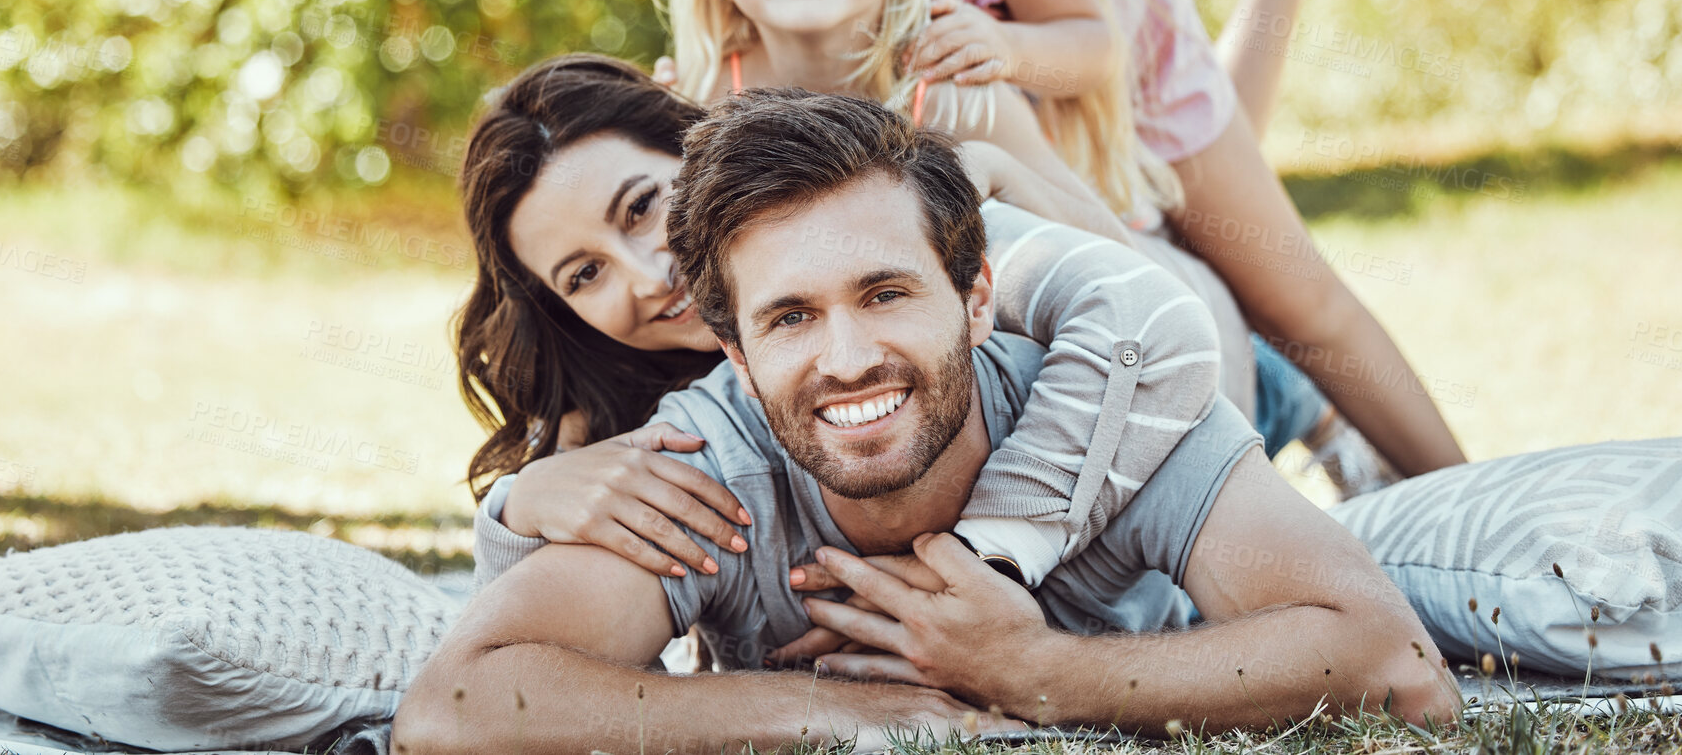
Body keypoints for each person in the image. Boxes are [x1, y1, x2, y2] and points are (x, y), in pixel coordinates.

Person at [391, 88, 1460, 753]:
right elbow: (455, 706)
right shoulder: (685, 463)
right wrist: (839, 714)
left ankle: (1330, 423)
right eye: (791, 316)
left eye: (886, 292)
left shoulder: (1106, 393)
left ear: (977, 293)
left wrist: (1036, 668)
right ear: (733, 346)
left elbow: (1398, 664)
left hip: (1203, 338)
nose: (846, 352)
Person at [651, 0, 1455, 486]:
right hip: (894, 396)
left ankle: (1311, 414)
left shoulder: (953, 89)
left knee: (1237, 365)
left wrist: (1001, 167)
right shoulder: (695, 107)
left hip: (1188, 356)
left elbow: (1121, 263)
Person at [457, 52, 1224, 592]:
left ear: (691, 146)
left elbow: (1145, 315)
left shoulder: (858, 222)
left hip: (1202, 396)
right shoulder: (613, 427)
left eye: (641, 206)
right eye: (585, 275)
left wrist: (975, 558)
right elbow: (515, 645)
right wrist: (520, 505)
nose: (650, 273)